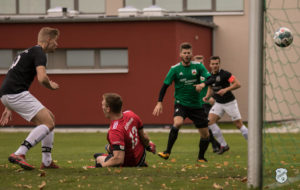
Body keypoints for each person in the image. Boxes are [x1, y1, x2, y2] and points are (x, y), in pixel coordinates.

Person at [0, 27, 60, 170]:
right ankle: (20, 153)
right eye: (56, 41)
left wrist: (8, 106)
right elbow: (42, 78)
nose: (57, 45)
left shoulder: (27, 52)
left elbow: (13, 76)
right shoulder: (40, 53)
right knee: (48, 123)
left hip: (8, 93)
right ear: (49, 40)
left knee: (50, 118)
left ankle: (46, 162)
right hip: (15, 93)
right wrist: (50, 85)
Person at [153, 42, 214, 162]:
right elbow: (164, 86)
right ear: (180, 54)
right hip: (181, 103)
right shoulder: (174, 69)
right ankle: (167, 152)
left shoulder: (198, 67)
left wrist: (203, 84)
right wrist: (159, 102)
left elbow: (210, 78)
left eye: (189, 53)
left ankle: (201, 157)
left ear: (192, 54)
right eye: (184, 53)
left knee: (205, 135)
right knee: (178, 122)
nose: (187, 55)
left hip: (196, 105)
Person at [92, 93, 156, 167]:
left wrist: (102, 165)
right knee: (108, 147)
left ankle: (102, 157)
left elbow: (119, 160)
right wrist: (149, 145)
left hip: (131, 163)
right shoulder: (131, 114)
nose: (102, 107)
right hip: (141, 156)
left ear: (108, 109)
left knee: (98, 158)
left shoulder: (115, 130)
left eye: (103, 105)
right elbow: (144, 137)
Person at [203, 56, 248, 154]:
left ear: (219, 64)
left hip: (230, 103)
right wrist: (207, 96)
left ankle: (253, 144)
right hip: (219, 103)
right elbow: (210, 88)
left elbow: (238, 84)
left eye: (217, 64)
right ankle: (224, 145)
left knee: (238, 125)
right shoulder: (209, 76)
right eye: (213, 64)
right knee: (209, 122)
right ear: (210, 65)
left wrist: (226, 90)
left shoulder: (226, 74)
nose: (215, 66)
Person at [193, 55, 220, 153]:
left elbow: (214, 87)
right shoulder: (191, 75)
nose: (200, 65)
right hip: (195, 104)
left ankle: (215, 145)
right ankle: (216, 144)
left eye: (201, 63)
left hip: (205, 103)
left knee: (207, 124)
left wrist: (213, 97)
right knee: (203, 126)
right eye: (197, 63)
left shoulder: (207, 75)